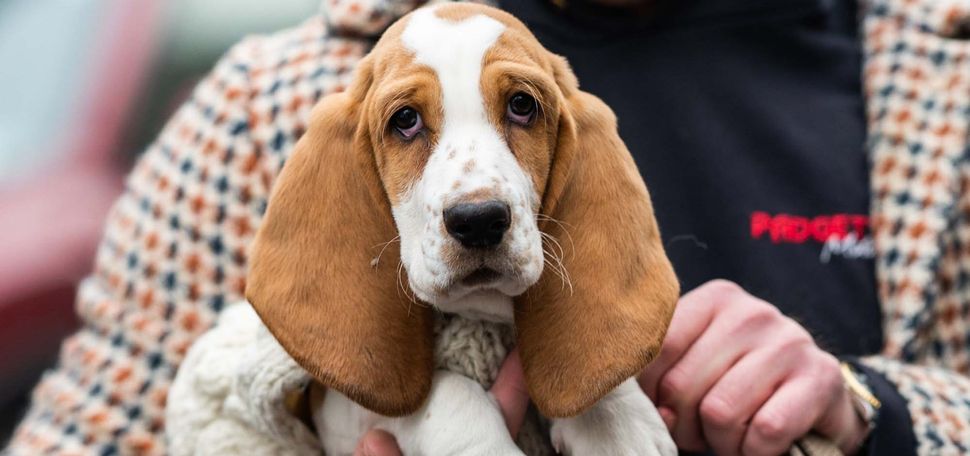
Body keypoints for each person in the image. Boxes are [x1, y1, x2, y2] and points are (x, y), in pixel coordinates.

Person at [6, 0, 970, 455]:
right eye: (408, 125)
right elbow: (82, 441)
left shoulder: (942, 83)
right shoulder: (263, 108)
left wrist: (871, 409)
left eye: (521, 112)